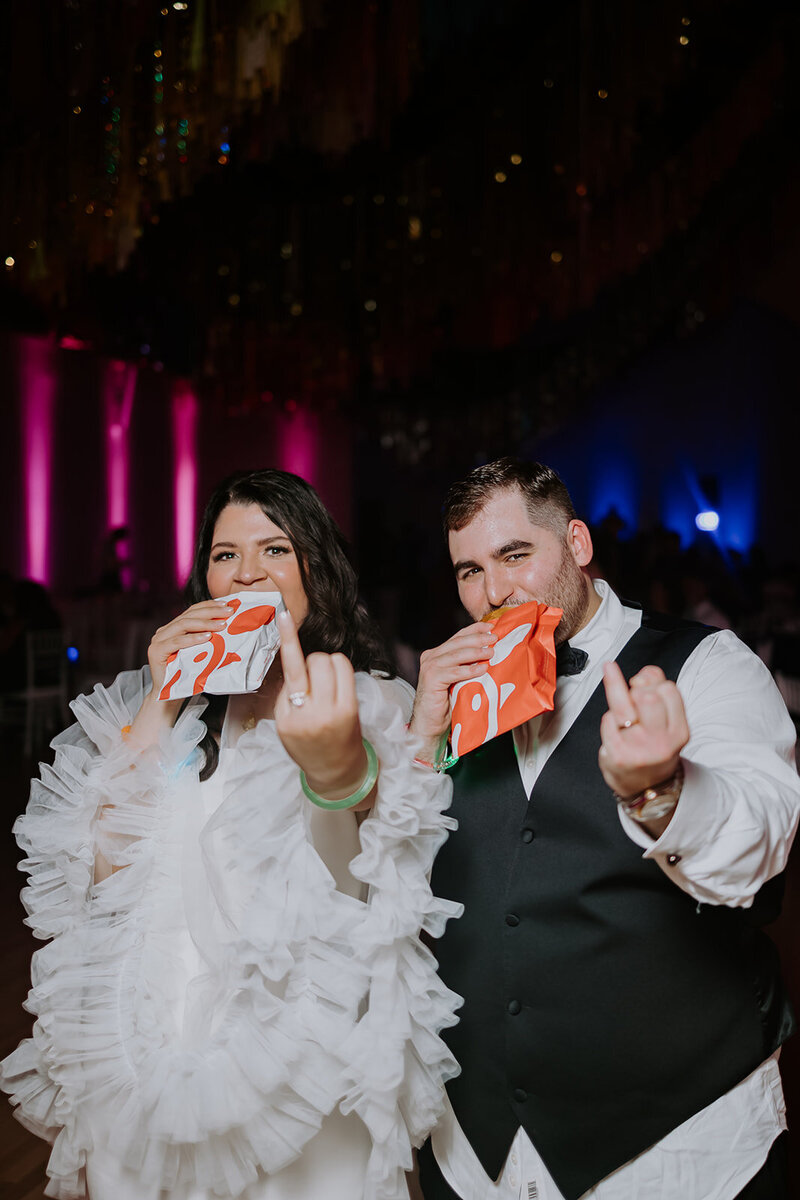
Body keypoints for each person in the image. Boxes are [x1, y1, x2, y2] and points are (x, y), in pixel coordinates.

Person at [1, 469, 461, 1200]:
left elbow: (407, 848)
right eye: (224, 555)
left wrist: (340, 763)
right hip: (163, 1036)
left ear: (316, 566)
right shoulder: (179, 713)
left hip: (307, 1053)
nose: (247, 573)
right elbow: (105, 868)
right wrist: (163, 692)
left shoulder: (364, 700)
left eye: (274, 550)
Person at [411, 457, 800, 1200]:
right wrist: (418, 740)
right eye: (468, 571)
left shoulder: (709, 663)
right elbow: (404, 883)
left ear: (579, 545)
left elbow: (761, 851)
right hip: (479, 1152)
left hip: (674, 1148)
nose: (493, 594)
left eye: (515, 556)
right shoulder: (450, 693)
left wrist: (661, 790)